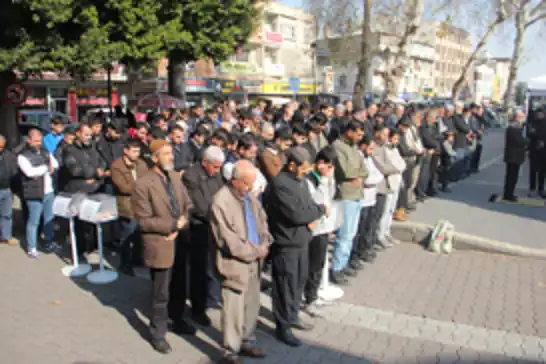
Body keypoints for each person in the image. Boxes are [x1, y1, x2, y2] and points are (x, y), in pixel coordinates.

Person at [132, 139, 195, 354]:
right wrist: (170, 226)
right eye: (166, 153)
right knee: (161, 292)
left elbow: (188, 204)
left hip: (180, 239)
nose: (171, 157)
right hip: (161, 243)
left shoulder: (175, 176)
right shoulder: (143, 184)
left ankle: (177, 319)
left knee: (179, 286)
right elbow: (143, 220)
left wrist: (182, 223)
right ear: (154, 157)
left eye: (171, 153)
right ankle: (157, 333)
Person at [211, 160, 273, 364]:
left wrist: (265, 240)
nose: (251, 187)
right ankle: (230, 351)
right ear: (235, 181)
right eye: (248, 183)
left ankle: (247, 340)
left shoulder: (249, 197)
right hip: (235, 264)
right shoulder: (221, 202)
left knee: (252, 304)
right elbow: (229, 241)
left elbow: (262, 221)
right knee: (233, 309)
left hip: (255, 261)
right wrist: (257, 250)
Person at [265, 146, 327, 347]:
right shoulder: (280, 184)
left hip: (302, 240)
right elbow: (297, 214)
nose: (307, 171)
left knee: (298, 282)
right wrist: (318, 211)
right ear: (291, 165)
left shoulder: (299, 181)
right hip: (286, 243)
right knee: (285, 285)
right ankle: (283, 326)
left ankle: (292, 316)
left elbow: (307, 205)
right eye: (303, 167)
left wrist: (312, 213)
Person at [182, 146, 226, 324]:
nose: (217, 171)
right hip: (198, 227)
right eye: (215, 167)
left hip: (215, 227)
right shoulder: (191, 176)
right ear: (204, 162)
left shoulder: (216, 175)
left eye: (219, 167)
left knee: (212, 267)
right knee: (199, 269)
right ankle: (198, 309)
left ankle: (208, 295)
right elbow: (199, 206)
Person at [303, 146, 342, 309]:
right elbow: (318, 201)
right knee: (311, 264)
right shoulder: (311, 179)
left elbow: (331, 198)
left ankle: (312, 293)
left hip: (324, 227)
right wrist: (324, 181)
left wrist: (330, 180)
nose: (330, 170)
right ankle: (308, 297)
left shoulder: (328, 178)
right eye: (328, 166)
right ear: (320, 163)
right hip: (314, 228)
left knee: (319, 263)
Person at [330, 120, 368, 285]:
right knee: (344, 235)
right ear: (349, 131)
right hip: (346, 194)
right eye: (358, 134)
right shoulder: (338, 147)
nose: (360, 137)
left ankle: (344, 264)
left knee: (351, 234)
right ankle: (337, 268)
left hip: (357, 194)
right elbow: (346, 171)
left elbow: (364, 170)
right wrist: (357, 174)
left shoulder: (354, 148)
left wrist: (359, 176)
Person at [17, 128, 60, 258]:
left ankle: (49, 241)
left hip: (48, 191)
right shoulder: (22, 156)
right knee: (34, 221)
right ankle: (32, 247)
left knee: (49, 219)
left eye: (40, 141)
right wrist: (46, 168)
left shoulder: (45, 152)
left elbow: (56, 164)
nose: (38, 143)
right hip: (34, 193)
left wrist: (41, 170)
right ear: (29, 140)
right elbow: (29, 173)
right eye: (35, 141)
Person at [111, 140, 149, 275]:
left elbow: (148, 181)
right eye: (133, 151)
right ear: (126, 151)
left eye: (138, 151)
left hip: (142, 205)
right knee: (127, 235)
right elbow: (123, 187)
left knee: (139, 234)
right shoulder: (117, 166)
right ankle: (125, 263)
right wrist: (141, 187)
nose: (136, 154)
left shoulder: (142, 164)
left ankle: (137, 259)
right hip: (127, 206)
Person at [351, 135, 383, 264]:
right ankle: (353, 255)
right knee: (357, 229)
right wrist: (371, 179)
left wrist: (372, 179)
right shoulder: (357, 158)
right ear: (363, 146)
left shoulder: (368, 158)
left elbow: (378, 174)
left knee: (366, 228)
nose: (372, 152)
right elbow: (366, 179)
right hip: (362, 199)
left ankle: (362, 250)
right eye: (370, 148)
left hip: (371, 198)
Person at [503, 110, 528, 202]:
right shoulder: (514, 127)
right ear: (517, 117)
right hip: (513, 156)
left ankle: (509, 193)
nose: (522, 119)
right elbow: (518, 140)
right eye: (521, 117)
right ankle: (508, 195)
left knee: (512, 176)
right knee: (512, 176)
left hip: (514, 155)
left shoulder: (517, 126)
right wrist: (528, 141)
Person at [0, 135, 18, 246]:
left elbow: (14, 171)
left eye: (2, 147)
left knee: (7, 214)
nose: (0, 149)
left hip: (6, 189)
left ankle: (6, 236)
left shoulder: (8, 155)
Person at [526, 108, 546, 198]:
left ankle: (541, 189)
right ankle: (532, 189)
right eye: (538, 114)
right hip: (534, 150)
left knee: (543, 172)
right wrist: (538, 136)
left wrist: (542, 140)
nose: (539, 115)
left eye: (541, 114)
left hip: (544, 151)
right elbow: (529, 133)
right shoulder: (532, 123)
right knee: (533, 171)